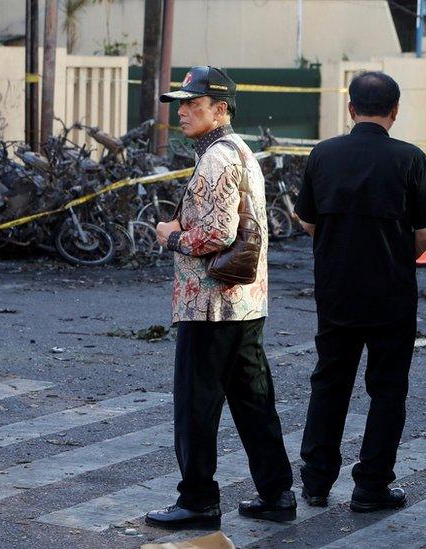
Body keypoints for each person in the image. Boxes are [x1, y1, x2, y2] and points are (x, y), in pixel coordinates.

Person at [148, 66, 295, 529]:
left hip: (210, 304)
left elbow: (215, 233)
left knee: (196, 403)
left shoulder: (216, 158)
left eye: (194, 103)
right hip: (246, 303)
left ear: (221, 108)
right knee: (253, 400)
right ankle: (276, 493)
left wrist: (170, 236)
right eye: (182, 104)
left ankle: (197, 501)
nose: (184, 111)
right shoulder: (239, 150)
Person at [295, 71, 426, 513]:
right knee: (387, 390)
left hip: (336, 290)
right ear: (395, 111)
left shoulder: (323, 154)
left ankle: (316, 482)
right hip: (390, 293)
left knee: (329, 383)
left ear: (350, 108)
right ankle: (371, 486)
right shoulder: (409, 159)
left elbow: (308, 222)